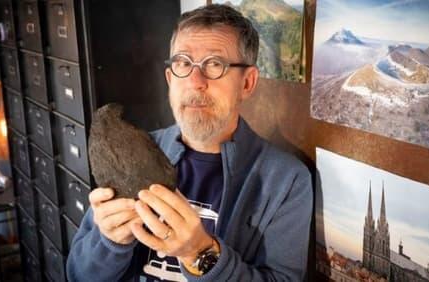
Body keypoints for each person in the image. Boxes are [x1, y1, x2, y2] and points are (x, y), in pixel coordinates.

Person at [67, 4, 313, 281]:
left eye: (215, 64)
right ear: (170, 78)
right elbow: (78, 274)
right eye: (184, 63)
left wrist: (199, 252)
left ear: (247, 83)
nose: (196, 81)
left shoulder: (286, 181)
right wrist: (110, 243)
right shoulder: (132, 155)